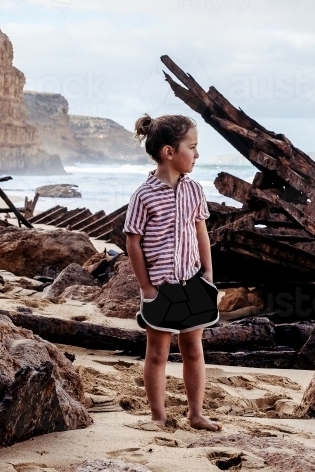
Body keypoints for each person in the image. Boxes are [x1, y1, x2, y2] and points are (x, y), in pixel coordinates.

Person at [123, 113, 221, 431]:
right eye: (191, 147)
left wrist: (206, 273)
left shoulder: (194, 191)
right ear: (169, 152)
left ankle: (196, 414)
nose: (196, 154)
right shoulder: (144, 195)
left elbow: (200, 232)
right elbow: (133, 242)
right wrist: (146, 288)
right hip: (161, 285)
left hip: (191, 280)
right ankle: (158, 417)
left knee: (193, 348)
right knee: (157, 353)